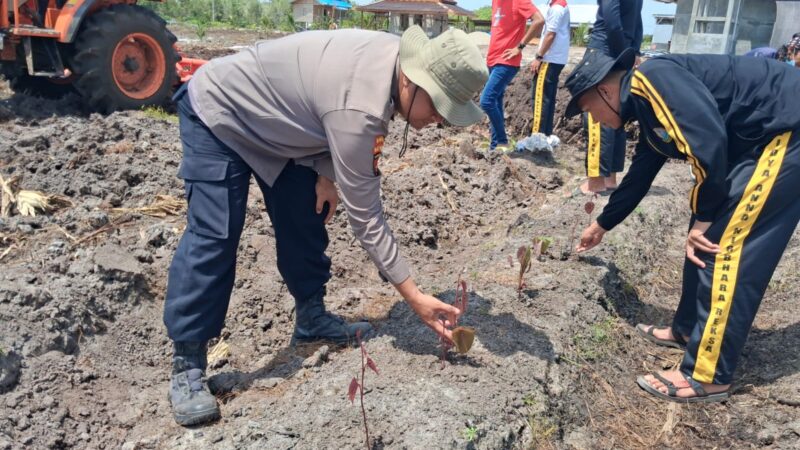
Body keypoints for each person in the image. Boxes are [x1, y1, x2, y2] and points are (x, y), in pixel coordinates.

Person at [163, 26, 488, 425]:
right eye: (437, 106)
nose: (438, 119)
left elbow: (322, 105)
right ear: (411, 79)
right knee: (215, 235)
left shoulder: (391, 68)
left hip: (281, 127)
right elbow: (367, 217)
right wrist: (414, 296)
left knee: (305, 212)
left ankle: (311, 317)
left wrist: (327, 172)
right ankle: (188, 363)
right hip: (222, 113)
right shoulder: (363, 106)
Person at [565, 47, 800, 402]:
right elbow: (642, 172)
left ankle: (707, 375)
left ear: (605, 91)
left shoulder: (652, 78)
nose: (593, 120)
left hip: (787, 129)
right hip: (764, 136)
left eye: (588, 110)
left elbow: (709, 141)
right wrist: (602, 224)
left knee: (722, 244)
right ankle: (688, 329)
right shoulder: (648, 107)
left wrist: (705, 218)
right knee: (703, 227)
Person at [578, 0, 643, 196]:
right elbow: (637, 21)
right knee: (615, 111)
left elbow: (612, 20)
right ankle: (610, 179)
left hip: (604, 51)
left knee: (595, 111)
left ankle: (595, 182)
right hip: (623, 50)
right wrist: (633, 51)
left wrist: (622, 54)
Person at [480, 0, 544, 152]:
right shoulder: (496, 2)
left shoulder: (518, 1)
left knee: (486, 101)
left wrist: (519, 47)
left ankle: (502, 141)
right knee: (495, 102)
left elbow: (539, 20)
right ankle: (496, 147)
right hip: (492, 60)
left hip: (507, 62)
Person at [529, 0, 570, 139]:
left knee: (540, 99)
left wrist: (538, 57)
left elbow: (550, 35)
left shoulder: (557, 8)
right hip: (556, 59)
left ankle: (537, 137)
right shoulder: (558, 6)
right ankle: (546, 135)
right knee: (548, 99)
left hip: (549, 59)